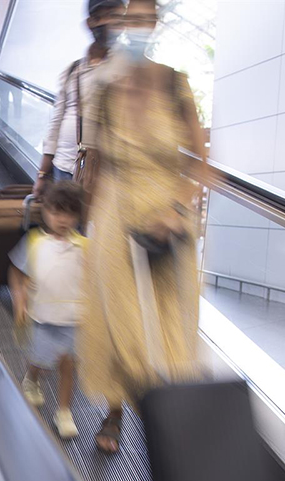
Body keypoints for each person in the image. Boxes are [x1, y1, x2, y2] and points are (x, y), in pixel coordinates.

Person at [79, 0, 207, 454]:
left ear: (155, 24)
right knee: (119, 322)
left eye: (144, 18)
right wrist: (84, 228)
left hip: (166, 219)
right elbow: (93, 161)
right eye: (127, 18)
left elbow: (203, 165)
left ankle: (168, 421)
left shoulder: (176, 83)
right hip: (115, 216)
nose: (134, 26)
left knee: (169, 325)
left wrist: (176, 209)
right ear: (114, 24)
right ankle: (115, 411)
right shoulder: (102, 90)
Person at [10, 183, 87, 439]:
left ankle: (64, 412)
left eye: (69, 214)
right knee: (40, 362)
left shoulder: (85, 248)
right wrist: (20, 298)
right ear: (45, 212)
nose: (63, 220)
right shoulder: (34, 243)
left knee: (68, 365)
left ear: (78, 216)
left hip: (72, 320)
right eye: (57, 212)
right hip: (41, 318)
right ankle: (32, 378)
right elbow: (16, 272)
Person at [34, 0, 127, 199]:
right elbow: (56, 123)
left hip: (104, 174)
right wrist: (42, 173)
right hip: (63, 168)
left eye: (120, 17)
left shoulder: (126, 70)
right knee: (66, 229)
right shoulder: (72, 70)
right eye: (109, 15)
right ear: (91, 22)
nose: (115, 24)